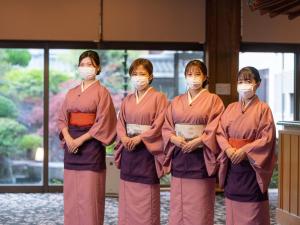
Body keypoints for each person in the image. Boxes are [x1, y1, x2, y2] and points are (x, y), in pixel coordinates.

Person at [58, 50, 117, 225]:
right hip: (71, 146)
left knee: (90, 196)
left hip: (90, 146)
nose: (86, 68)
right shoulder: (71, 92)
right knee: (71, 195)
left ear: (97, 68)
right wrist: (69, 139)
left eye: (90, 64)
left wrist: (80, 140)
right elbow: (62, 119)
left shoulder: (102, 92)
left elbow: (103, 121)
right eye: (82, 64)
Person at [162, 59, 224, 225]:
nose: (193, 77)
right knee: (178, 203)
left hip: (201, 157)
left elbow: (216, 127)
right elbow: (166, 127)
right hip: (180, 154)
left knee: (199, 204)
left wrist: (198, 141)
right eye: (190, 74)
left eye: (197, 74)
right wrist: (174, 138)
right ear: (185, 77)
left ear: (205, 77)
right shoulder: (175, 101)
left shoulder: (213, 100)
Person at [216, 66, 276, 225]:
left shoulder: (264, 109)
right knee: (232, 209)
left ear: (258, 84)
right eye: (240, 81)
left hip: (252, 167)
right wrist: (228, 149)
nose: (244, 85)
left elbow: (267, 138)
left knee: (253, 212)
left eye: (248, 81)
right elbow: (220, 133)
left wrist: (244, 151)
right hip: (233, 166)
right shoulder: (230, 108)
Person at [114, 58, 168, 225]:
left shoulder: (159, 98)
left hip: (147, 152)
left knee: (146, 199)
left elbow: (160, 124)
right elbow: (120, 123)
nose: (138, 77)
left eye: (142, 74)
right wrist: (123, 138)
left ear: (150, 76)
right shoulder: (127, 100)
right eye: (135, 74)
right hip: (129, 151)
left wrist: (140, 138)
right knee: (128, 197)